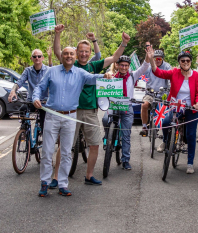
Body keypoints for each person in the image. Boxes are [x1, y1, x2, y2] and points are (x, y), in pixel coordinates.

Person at [54, 24, 130, 186]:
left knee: (95, 144)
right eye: (80, 51)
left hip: (90, 112)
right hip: (71, 112)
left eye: (86, 51)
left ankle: (89, 176)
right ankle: (55, 177)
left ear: (89, 53)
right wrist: (57, 34)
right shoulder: (70, 64)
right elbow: (57, 52)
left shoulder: (93, 66)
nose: (83, 54)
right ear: (76, 52)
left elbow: (114, 58)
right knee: (65, 146)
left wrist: (123, 43)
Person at [33, 46, 112, 197]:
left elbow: (93, 78)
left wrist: (105, 76)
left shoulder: (81, 73)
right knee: (47, 151)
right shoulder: (52, 71)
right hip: (52, 115)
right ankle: (45, 182)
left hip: (70, 117)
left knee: (66, 152)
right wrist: (35, 98)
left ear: (74, 56)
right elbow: (40, 87)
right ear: (61, 56)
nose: (68, 56)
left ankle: (63, 184)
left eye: (71, 54)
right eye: (66, 53)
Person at [153, 51, 198, 174]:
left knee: (191, 135)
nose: (185, 63)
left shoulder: (196, 75)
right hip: (175, 105)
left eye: (188, 61)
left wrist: (197, 103)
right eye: (183, 61)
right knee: (165, 122)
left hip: (191, 107)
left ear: (190, 62)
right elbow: (159, 72)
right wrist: (150, 60)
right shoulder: (174, 72)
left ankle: (190, 163)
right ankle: (165, 141)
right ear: (179, 62)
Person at [109, 50, 152, 169]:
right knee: (104, 121)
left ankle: (126, 160)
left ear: (129, 66)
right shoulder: (112, 77)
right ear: (117, 65)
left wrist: (148, 57)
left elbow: (144, 67)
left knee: (126, 135)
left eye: (126, 65)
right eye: (121, 65)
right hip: (115, 105)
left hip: (127, 107)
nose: (124, 67)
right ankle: (108, 140)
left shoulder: (133, 75)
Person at [8, 49, 49, 131]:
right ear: (31, 58)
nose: (37, 58)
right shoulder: (28, 70)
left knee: (44, 123)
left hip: (43, 102)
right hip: (31, 100)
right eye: (35, 56)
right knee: (23, 110)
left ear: (43, 58)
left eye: (39, 56)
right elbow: (19, 82)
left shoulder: (48, 70)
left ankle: (43, 139)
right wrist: (13, 91)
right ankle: (24, 131)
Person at [139, 49, 171, 136]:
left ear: (163, 59)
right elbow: (141, 72)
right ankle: (145, 127)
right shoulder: (149, 67)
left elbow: (170, 79)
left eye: (159, 59)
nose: (157, 61)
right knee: (144, 105)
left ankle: (160, 128)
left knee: (163, 112)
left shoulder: (167, 67)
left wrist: (170, 87)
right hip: (150, 93)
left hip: (163, 94)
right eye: (155, 59)